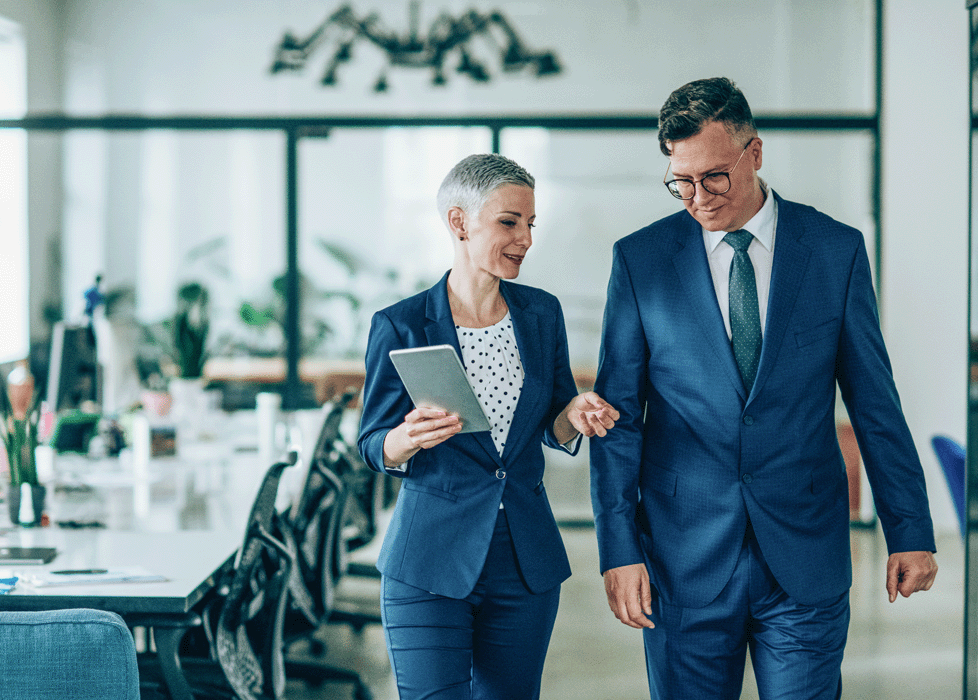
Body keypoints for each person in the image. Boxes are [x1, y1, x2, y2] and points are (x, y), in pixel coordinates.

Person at [590, 77, 938, 699]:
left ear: (754, 152)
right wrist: (618, 549)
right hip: (681, 555)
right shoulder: (640, 260)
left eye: (715, 177)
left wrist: (908, 528)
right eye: (681, 182)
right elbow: (619, 418)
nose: (698, 197)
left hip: (805, 554)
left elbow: (874, 402)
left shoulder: (835, 250)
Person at [358, 153, 618, 700]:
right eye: (509, 222)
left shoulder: (541, 314)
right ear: (459, 223)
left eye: (529, 224)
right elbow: (373, 443)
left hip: (524, 561)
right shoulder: (400, 324)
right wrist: (408, 438)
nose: (524, 238)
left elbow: (555, 421)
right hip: (428, 560)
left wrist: (575, 417)